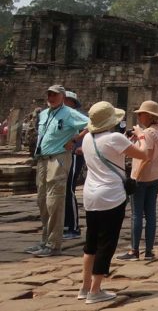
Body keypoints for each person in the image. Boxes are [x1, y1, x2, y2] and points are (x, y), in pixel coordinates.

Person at [79, 101, 147, 304]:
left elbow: (109, 152)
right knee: (106, 244)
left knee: (90, 243)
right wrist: (141, 136)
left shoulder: (87, 139)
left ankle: (84, 287)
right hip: (111, 196)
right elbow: (143, 154)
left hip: (90, 195)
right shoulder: (115, 138)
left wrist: (128, 141)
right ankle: (95, 290)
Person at [25, 85, 88, 257]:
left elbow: (92, 125)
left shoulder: (69, 113)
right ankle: (45, 241)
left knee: (54, 201)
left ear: (62, 96)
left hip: (58, 158)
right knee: (42, 200)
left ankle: (54, 244)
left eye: (54, 95)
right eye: (49, 94)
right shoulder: (44, 113)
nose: (51, 97)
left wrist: (75, 139)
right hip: (43, 159)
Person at [118, 100, 158, 261]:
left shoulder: (147, 134)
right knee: (151, 213)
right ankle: (149, 250)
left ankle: (134, 250)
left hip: (143, 175)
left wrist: (136, 177)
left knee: (137, 214)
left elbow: (145, 156)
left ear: (149, 116)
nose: (139, 117)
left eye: (141, 114)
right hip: (156, 175)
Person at [62, 91, 87, 240]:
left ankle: (74, 227)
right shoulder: (61, 115)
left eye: (65, 100)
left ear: (72, 102)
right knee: (61, 191)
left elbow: (91, 126)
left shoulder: (76, 114)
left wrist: (77, 139)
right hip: (61, 155)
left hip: (75, 155)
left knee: (68, 190)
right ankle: (64, 224)